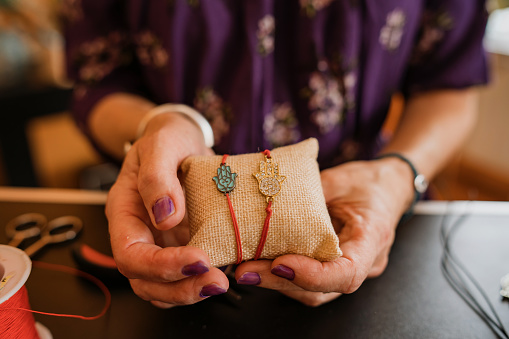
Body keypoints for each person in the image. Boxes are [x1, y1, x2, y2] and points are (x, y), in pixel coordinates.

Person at [64, 0, 488, 307]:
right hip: (176, 225)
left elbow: (450, 81)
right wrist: (160, 125)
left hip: (369, 223)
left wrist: (397, 175)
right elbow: (97, 77)